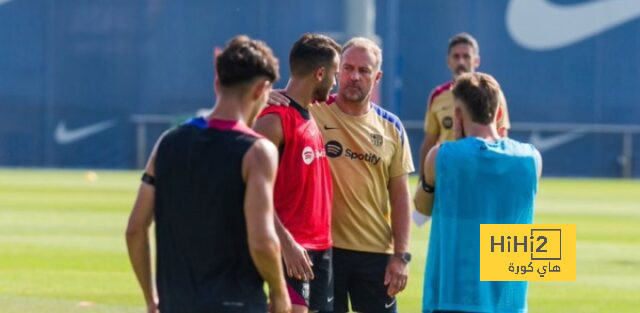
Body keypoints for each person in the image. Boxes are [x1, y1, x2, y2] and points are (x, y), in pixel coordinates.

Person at [125, 35, 291, 313]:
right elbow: (262, 240)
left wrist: (151, 298)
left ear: (217, 84)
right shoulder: (257, 152)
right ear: (261, 89)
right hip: (236, 304)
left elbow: (135, 229)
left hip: (175, 304)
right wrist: (279, 292)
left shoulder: (167, 143)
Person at [270, 36, 414, 313]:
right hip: (323, 251)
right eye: (347, 69)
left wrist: (401, 256)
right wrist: (263, 95)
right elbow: (285, 95)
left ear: (378, 76)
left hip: (375, 254)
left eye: (364, 70)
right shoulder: (311, 110)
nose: (353, 77)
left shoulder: (391, 128)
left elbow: (400, 197)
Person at [415, 72, 542, 313]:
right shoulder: (532, 159)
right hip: (509, 301)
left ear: (458, 115)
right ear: (500, 113)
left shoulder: (441, 156)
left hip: (450, 297)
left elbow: (421, 211)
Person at [252, 33, 341, 313]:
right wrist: (287, 244)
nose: (336, 82)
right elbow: (252, 192)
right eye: (335, 74)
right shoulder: (273, 120)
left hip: (320, 249)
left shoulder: (308, 113)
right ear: (320, 73)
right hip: (290, 249)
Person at [418, 33, 511, 177]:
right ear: (448, 61)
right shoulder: (437, 96)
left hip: (482, 172)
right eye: (456, 56)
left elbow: (502, 136)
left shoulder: (493, 93)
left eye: (466, 56)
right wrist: (424, 180)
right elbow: (429, 141)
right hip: (448, 173)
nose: (461, 61)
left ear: (476, 61)